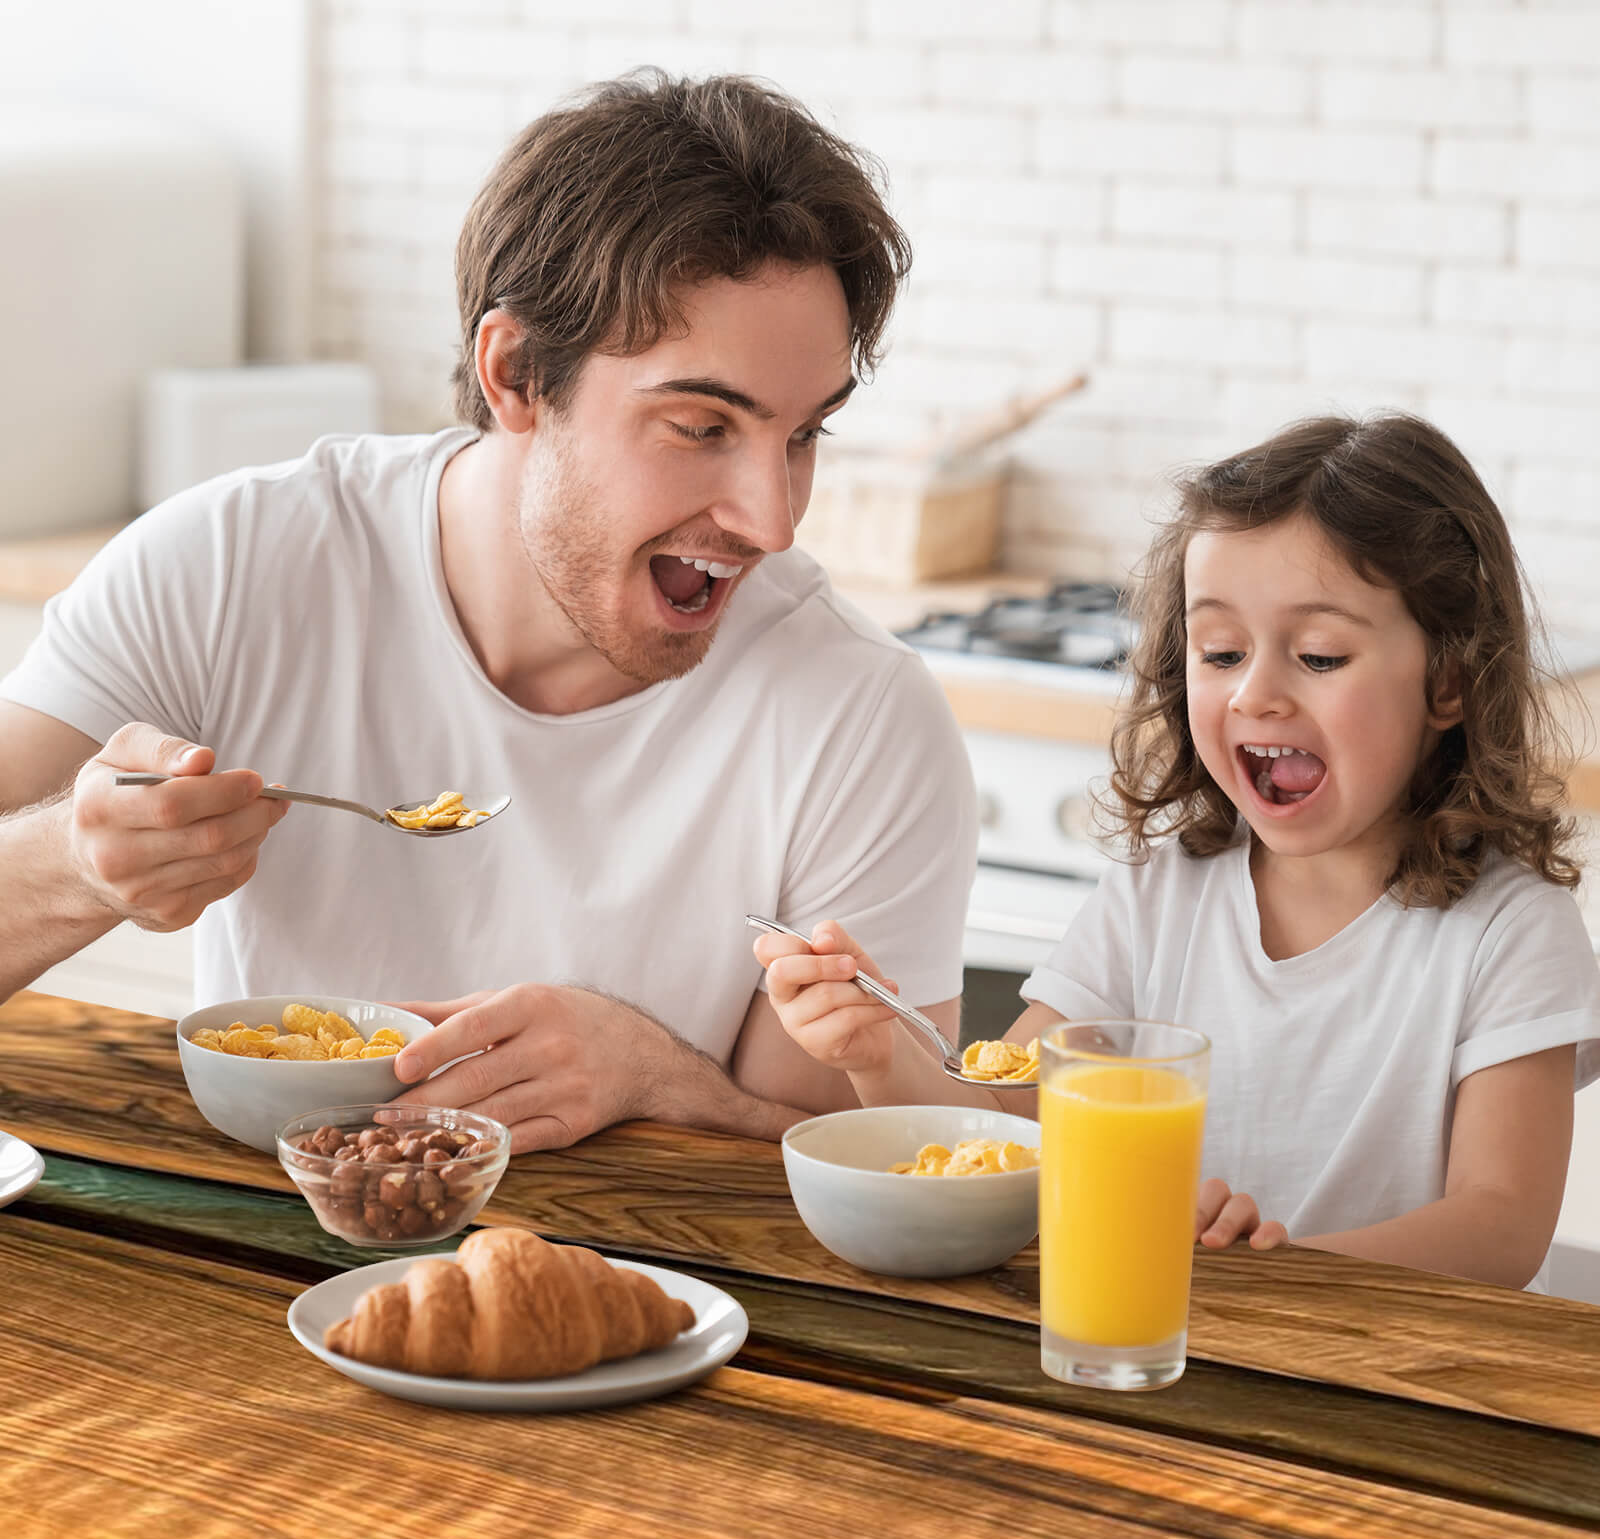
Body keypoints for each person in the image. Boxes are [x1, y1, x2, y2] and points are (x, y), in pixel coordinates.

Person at [0, 72, 976, 1152]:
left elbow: (860, 1173)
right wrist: (77, 866)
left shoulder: (858, 713)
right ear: (515, 373)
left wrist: (653, 1073)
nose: (773, 520)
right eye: (702, 426)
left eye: (803, 436)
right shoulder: (230, 567)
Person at [756, 412, 1600, 1290]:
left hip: (1390, 1382)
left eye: (1318, 655)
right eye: (1222, 650)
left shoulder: (1512, 931)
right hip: (1160, 1350)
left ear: (1449, 679)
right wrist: (879, 1053)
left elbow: (1501, 1227)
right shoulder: (1161, 895)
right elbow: (1007, 1125)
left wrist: (1270, 1272)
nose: (1257, 693)